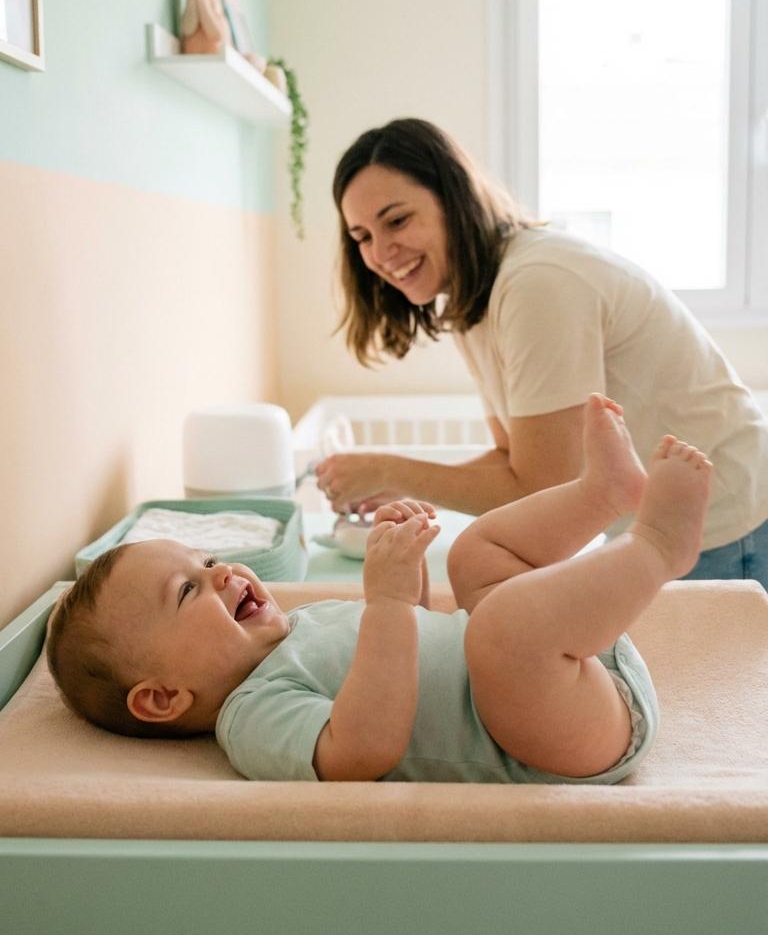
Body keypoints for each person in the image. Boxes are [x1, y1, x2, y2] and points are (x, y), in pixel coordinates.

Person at [47, 397, 712, 785]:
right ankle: (657, 547)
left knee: (476, 558)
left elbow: (406, 659)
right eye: (188, 592)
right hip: (557, 736)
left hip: (566, 675)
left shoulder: (298, 632)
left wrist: (410, 586)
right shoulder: (249, 717)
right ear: (162, 697)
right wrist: (388, 604)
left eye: (211, 558)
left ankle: (600, 497)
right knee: (501, 628)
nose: (224, 574)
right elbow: (363, 748)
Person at [316, 117, 768, 587]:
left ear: (453, 201)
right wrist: (403, 482)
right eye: (362, 237)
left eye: (397, 220)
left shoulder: (537, 283)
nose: (381, 252)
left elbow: (542, 485)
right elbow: (515, 459)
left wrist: (390, 468)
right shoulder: (476, 298)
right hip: (665, 523)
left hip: (722, 520)